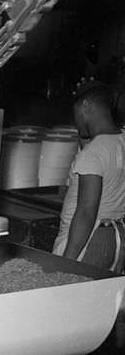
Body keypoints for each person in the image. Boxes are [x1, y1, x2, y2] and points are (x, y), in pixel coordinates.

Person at [52, 79, 125, 271]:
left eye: (75, 113)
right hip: (114, 238)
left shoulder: (93, 154)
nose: (75, 121)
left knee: (68, 296)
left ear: (85, 105)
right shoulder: (120, 141)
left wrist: (66, 264)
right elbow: (97, 149)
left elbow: (86, 212)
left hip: (87, 241)